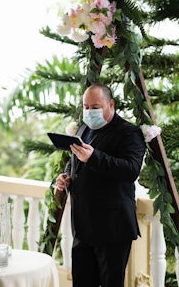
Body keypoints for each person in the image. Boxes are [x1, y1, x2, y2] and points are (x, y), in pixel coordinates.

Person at [56, 83, 146, 287]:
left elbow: (130, 170)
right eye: (86, 107)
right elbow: (75, 161)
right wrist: (66, 176)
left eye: (95, 107)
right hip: (82, 226)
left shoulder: (128, 133)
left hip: (112, 229)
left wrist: (94, 157)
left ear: (110, 104)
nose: (89, 112)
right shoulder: (83, 128)